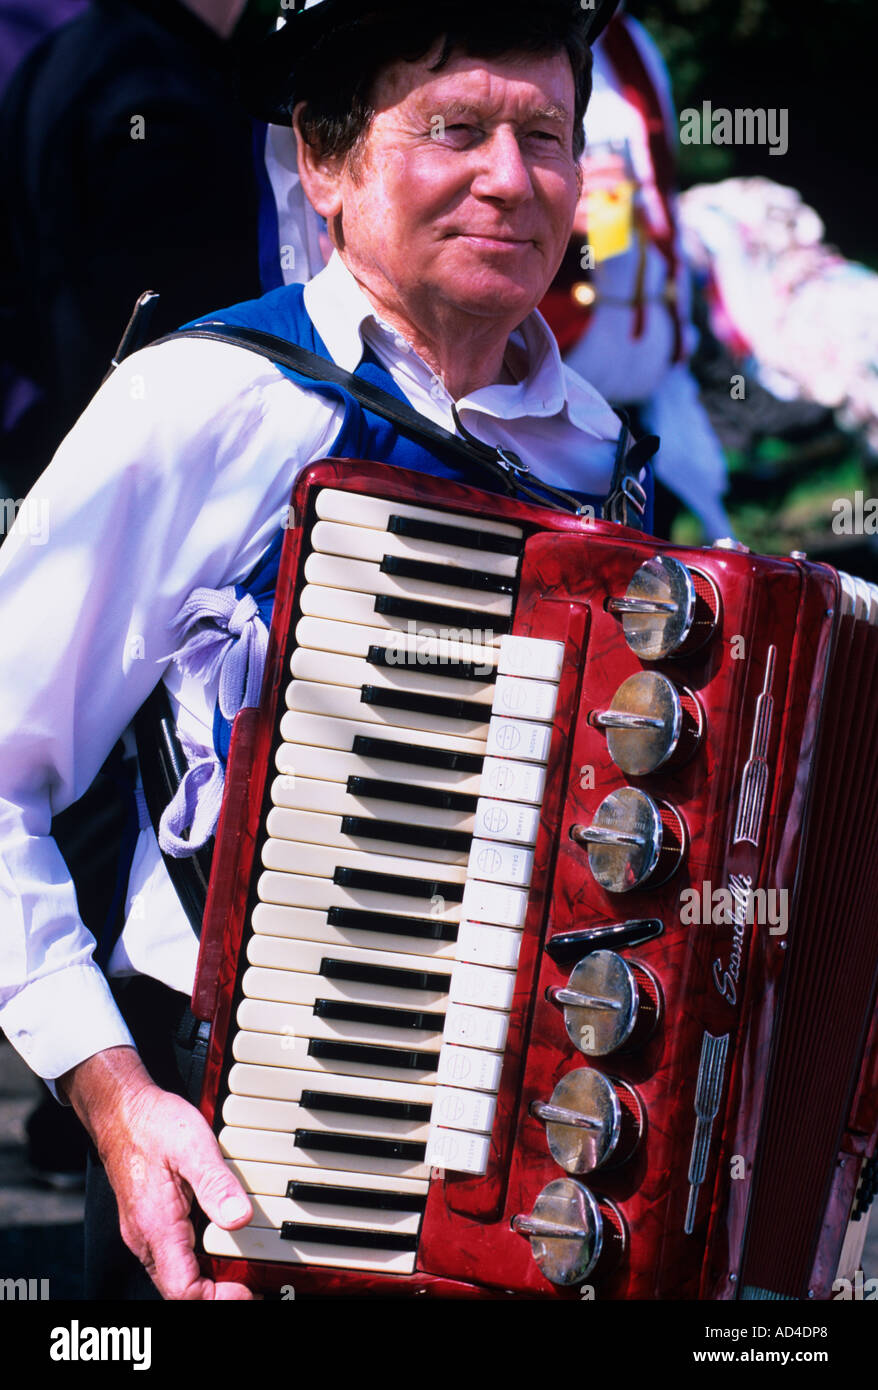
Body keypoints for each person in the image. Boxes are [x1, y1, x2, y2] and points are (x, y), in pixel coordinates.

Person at [0, 0, 632, 1299]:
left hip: (522, 1166)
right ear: (324, 164)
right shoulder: (203, 403)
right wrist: (113, 1098)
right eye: (455, 129)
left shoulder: (595, 456)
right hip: (226, 1150)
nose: (509, 180)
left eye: (546, 136)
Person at [540, 7, 732, 541]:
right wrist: (558, 203)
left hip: (646, 363)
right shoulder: (508, 28)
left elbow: (658, 186)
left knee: (653, 555)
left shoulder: (632, 40)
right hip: (560, 349)